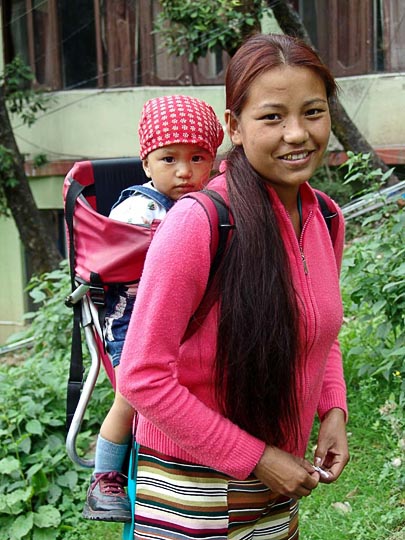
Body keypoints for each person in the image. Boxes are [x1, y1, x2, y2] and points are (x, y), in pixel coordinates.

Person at [119, 33, 350, 539]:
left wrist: (333, 409)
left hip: (280, 482)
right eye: (272, 117)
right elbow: (140, 376)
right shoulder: (199, 224)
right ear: (235, 128)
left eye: (313, 112)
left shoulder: (326, 219)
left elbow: (320, 331)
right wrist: (256, 457)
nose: (297, 134)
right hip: (192, 487)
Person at [83, 94, 224, 523]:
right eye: (169, 159)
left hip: (184, 315)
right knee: (135, 394)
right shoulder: (138, 210)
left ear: (214, 160)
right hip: (131, 316)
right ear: (146, 164)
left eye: (198, 157)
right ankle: (104, 477)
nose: (184, 171)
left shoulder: (208, 204)